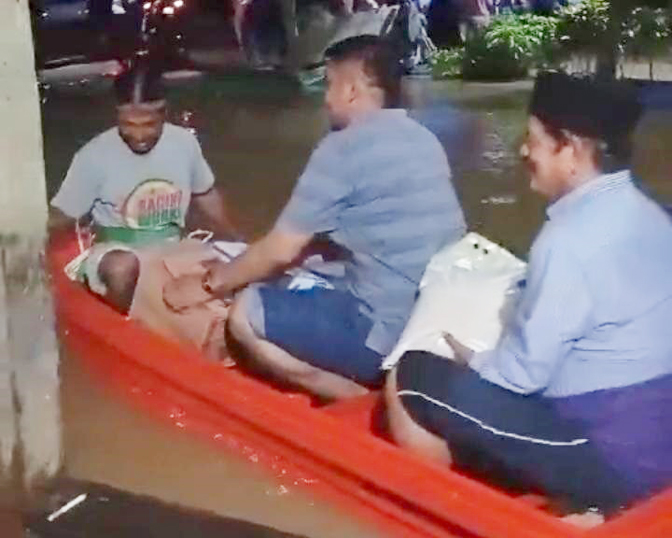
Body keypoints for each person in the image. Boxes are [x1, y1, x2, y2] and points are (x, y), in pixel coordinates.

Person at [385, 72, 672, 517]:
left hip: (613, 455)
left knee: (412, 374)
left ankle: (452, 511)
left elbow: (521, 376)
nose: (523, 152)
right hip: (658, 432)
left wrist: (470, 357)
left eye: (533, 140)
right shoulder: (652, 214)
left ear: (571, 150)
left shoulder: (567, 241)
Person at [164, 35, 466, 400]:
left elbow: (280, 249)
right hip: (433, 321)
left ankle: (353, 398)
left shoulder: (341, 148)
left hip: (384, 334)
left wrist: (207, 285)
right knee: (311, 270)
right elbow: (359, 235)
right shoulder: (424, 140)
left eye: (329, 84)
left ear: (351, 90)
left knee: (245, 314)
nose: (325, 98)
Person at [50, 61, 239, 356]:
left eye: (148, 124)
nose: (138, 135)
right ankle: (121, 334)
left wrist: (236, 239)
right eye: (128, 124)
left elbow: (206, 195)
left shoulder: (184, 143)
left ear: (164, 113)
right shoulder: (93, 155)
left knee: (232, 273)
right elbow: (63, 215)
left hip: (173, 248)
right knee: (122, 268)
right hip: (117, 251)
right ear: (116, 114)